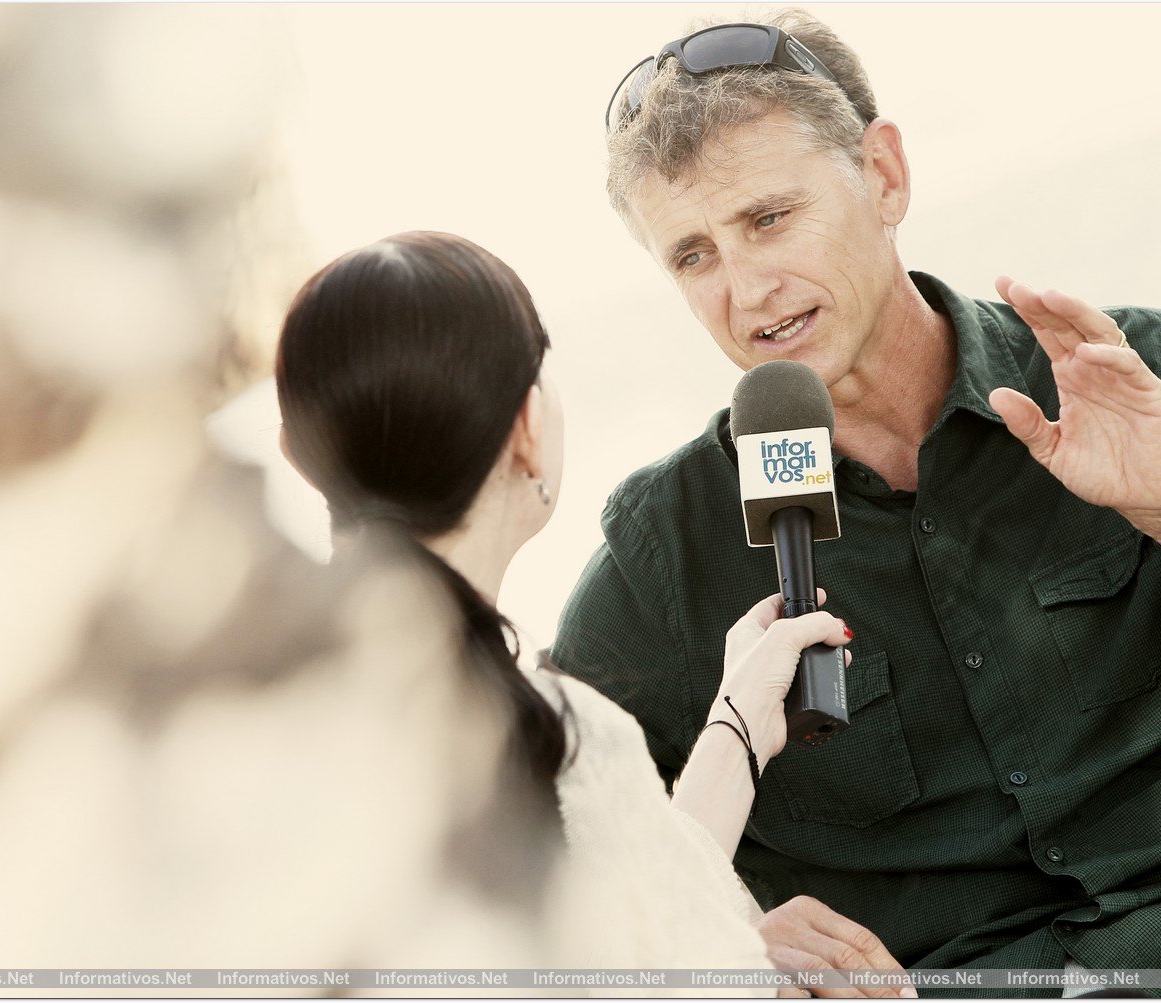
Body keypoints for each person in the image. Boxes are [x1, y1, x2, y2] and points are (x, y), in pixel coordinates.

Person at [552, 8, 1161, 996]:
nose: (745, 289)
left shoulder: (1128, 372)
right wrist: (727, 923)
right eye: (693, 256)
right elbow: (538, 851)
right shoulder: (664, 547)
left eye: (767, 218)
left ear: (884, 175)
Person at [272, 230, 884, 988]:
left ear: (297, 454)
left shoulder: (248, 708)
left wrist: (737, 730)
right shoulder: (564, 735)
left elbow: (627, 878)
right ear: (529, 429)